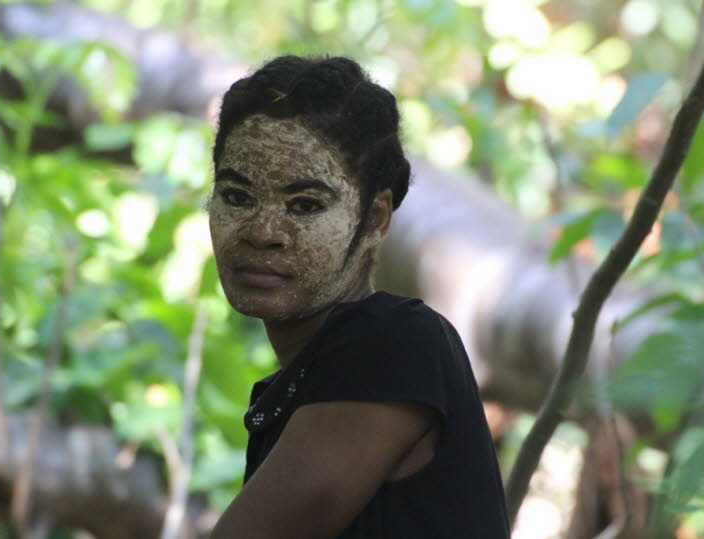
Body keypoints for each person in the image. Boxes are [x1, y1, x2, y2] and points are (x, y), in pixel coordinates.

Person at [207, 55, 511, 539]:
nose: (263, 232)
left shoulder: (395, 342)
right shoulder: (306, 379)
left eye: (305, 205)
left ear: (374, 219)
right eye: (238, 197)